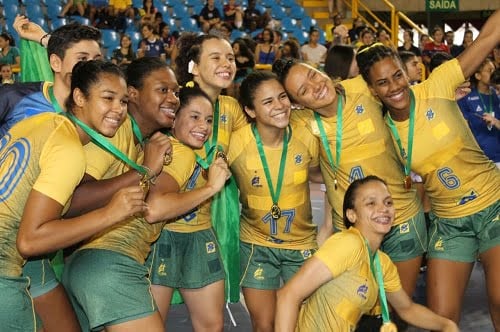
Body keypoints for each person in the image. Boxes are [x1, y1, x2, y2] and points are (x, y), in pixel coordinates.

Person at [355, 9, 500, 328]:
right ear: (372, 89)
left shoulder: (438, 84)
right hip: (448, 223)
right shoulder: (380, 127)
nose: (394, 86)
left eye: (397, 75)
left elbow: (489, 37)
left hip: (493, 205)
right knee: (441, 320)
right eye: (382, 82)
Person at [272, 57, 427, 329]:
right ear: (298, 104)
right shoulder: (302, 123)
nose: (315, 86)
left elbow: (401, 94)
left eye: (312, 75)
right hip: (355, 231)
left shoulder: (363, 88)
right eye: (304, 91)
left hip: (403, 219)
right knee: (355, 309)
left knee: (394, 310)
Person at [63, 82, 230, 331]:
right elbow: (155, 208)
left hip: (87, 258)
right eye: (194, 117)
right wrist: (210, 188)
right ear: (173, 120)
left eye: (208, 120)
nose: (204, 127)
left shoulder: (151, 144)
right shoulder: (178, 151)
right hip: (111, 262)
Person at [0, 59, 145, 332]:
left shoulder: (41, 122)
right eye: (108, 98)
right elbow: (30, 241)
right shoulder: (69, 150)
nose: (118, 110)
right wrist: (109, 214)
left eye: (124, 101)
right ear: (79, 96)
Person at [147, 32, 247, 329]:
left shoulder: (230, 108)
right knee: (151, 322)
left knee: (211, 324)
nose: (226, 63)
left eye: (230, 57)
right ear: (193, 66)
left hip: (208, 221)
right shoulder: (171, 99)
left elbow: (250, 151)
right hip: (161, 230)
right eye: (215, 57)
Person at [274, 176, 459, 332]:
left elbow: (407, 308)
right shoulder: (348, 244)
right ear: (352, 215)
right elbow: (288, 295)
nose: (384, 208)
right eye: (371, 203)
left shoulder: (381, 263)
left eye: (388, 202)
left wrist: (446, 324)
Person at [228, 71, 320, 332]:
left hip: (301, 244)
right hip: (256, 246)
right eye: (268, 102)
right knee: (264, 325)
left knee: (302, 323)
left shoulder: (305, 134)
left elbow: (321, 174)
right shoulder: (237, 143)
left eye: (282, 97)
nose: (280, 106)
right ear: (250, 110)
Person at [458, 57, 500, 167]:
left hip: (498, 156)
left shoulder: (497, 95)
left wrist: (496, 122)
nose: (494, 73)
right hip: (478, 159)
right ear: (477, 76)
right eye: (490, 70)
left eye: (494, 70)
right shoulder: (466, 98)